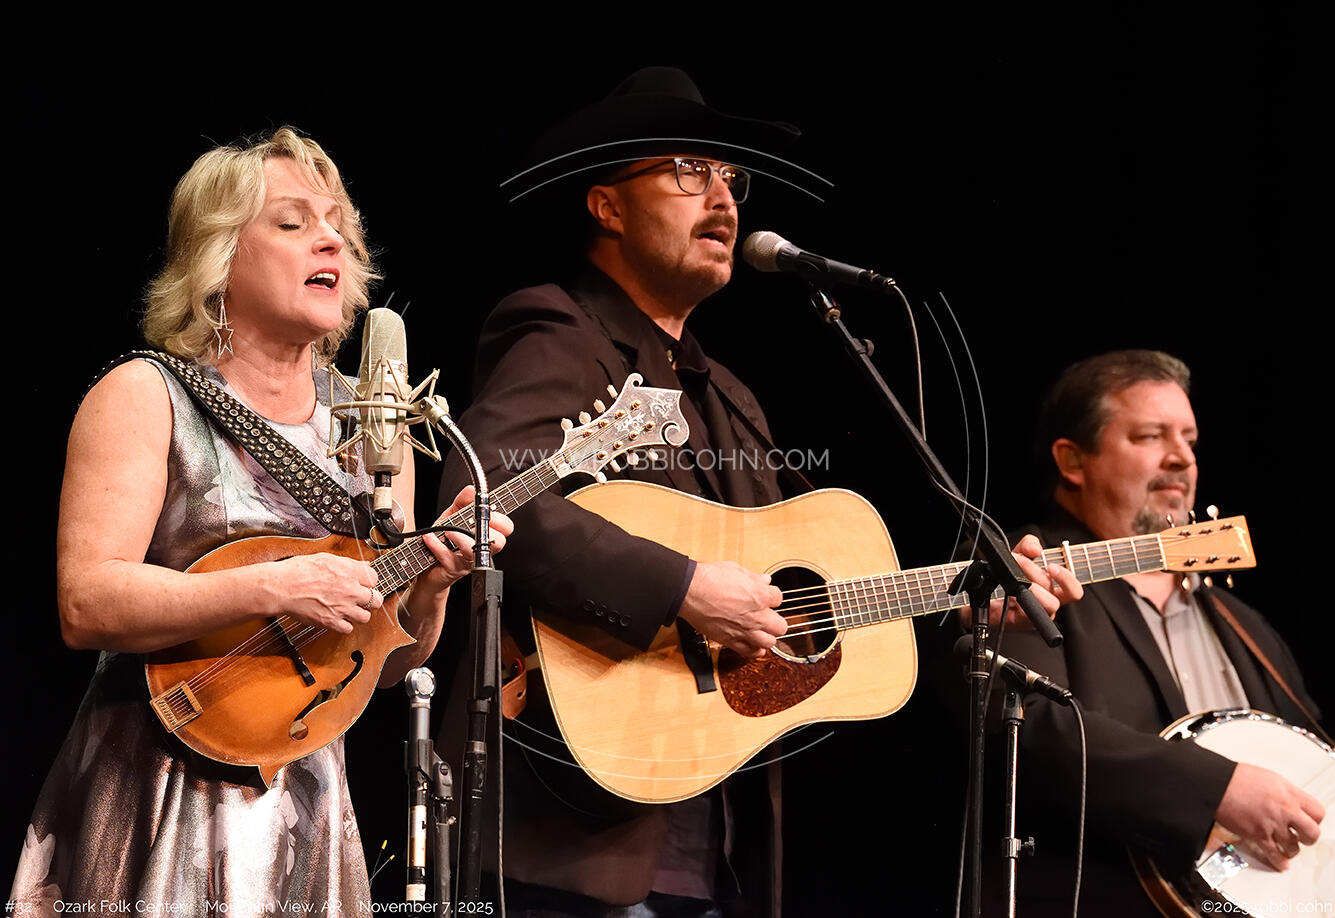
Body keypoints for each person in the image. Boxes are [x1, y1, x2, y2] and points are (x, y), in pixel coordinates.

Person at [437, 68, 1070, 917]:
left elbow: (789, 600)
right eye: (687, 171)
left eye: (730, 178)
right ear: (607, 207)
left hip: (713, 847)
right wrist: (679, 587)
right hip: (568, 836)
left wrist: (963, 598)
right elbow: (484, 497)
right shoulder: (558, 330)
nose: (723, 198)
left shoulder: (730, 397)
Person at [10, 128, 510, 914]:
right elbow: (87, 603)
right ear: (218, 256)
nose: (329, 240)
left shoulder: (375, 426)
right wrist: (276, 586)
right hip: (159, 777)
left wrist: (432, 586)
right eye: (291, 222)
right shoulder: (145, 395)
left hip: (303, 799)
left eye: (338, 224)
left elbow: (379, 669)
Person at [992, 349, 1324, 916]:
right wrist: (1217, 789)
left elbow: (1315, 765)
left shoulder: (1245, 625)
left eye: (1189, 440)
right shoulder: (1023, 580)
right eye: (1151, 436)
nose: (1182, 458)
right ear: (1072, 460)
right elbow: (1027, 729)